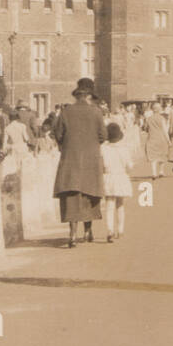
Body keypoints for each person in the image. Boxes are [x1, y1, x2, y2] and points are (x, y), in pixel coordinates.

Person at [52, 77, 106, 246]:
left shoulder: (66, 111)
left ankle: (72, 235)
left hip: (71, 160)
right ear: (89, 95)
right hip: (91, 160)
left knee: (72, 197)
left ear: (77, 95)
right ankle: (88, 231)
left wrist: (65, 146)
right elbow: (103, 136)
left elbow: (58, 134)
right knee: (89, 195)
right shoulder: (97, 112)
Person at [100, 121, 134, 243]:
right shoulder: (124, 149)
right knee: (120, 205)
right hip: (121, 177)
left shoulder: (103, 149)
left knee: (109, 204)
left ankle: (109, 230)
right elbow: (130, 166)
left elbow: (101, 164)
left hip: (109, 177)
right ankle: (120, 229)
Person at [144, 105, 171, 178]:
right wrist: (168, 141)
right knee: (162, 155)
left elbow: (145, 129)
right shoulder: (162, 118)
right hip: (161, 139)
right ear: (159, 110)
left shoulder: (149, 119)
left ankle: (154, 173)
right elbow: (165, 130)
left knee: (153, 156)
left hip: (152, 138)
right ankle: (161, 171)